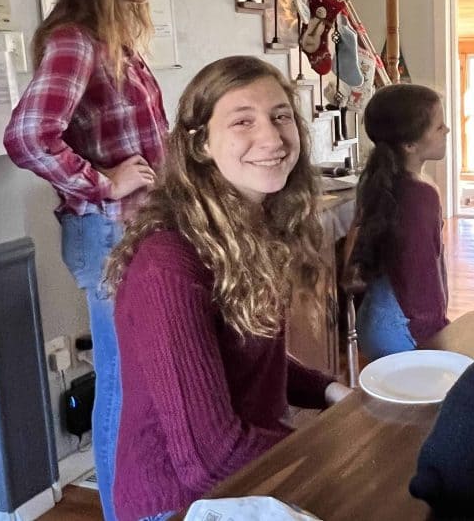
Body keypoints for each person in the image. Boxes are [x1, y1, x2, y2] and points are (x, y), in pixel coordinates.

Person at [103, 56, 351, 521]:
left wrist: (332, 391)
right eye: (243, 121)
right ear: (200, 144)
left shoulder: (253, 228)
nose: (273, 138)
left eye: (281, 116)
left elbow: (246, 350)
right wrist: (341, 452)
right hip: (177, 503)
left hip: (242, 481)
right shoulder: (169, 264)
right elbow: (209, 458)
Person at [3, 0, 169, 521]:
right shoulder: (76, 41)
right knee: (126, 386)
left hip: (131, 230)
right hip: (107, 233)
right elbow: (26, 137)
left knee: (141, 377)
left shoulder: (114, 36)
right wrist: (104, 182)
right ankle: (129, 512)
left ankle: (144, 503)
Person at [351, 84, 450, 359]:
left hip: (375, 321)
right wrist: (438, 336)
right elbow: (420, 276)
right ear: (409, 144)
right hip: (403, 328)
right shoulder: (419, 197)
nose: (447, 131)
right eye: (439, 127)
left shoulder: (378, 181)